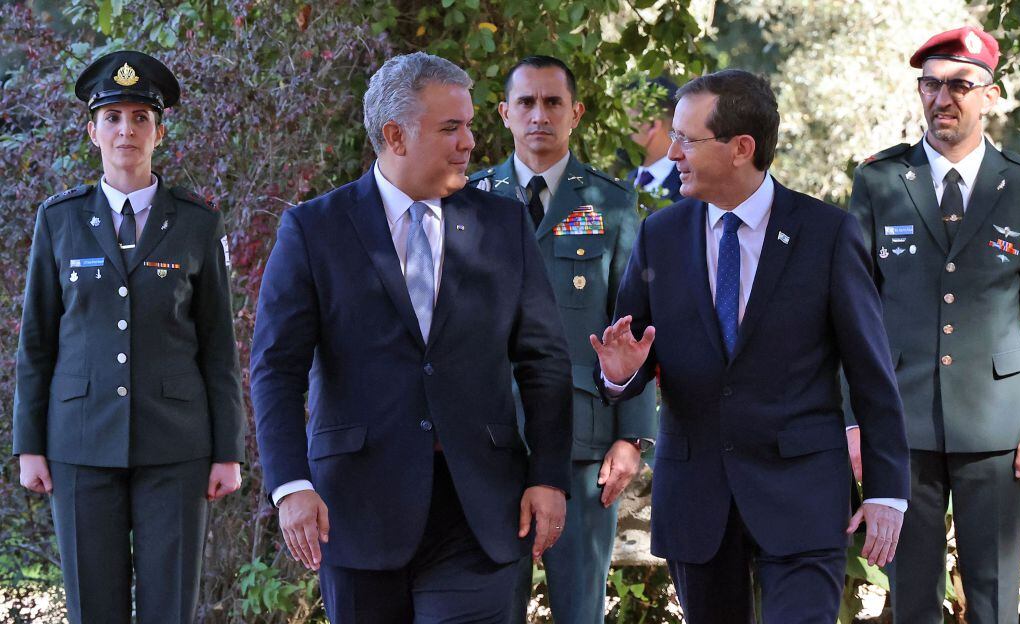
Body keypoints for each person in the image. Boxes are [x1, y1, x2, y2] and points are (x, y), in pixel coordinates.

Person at [249, 52, 573, 623]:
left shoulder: (504, 225)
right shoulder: (314, 231)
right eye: (451, 128)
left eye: (470, 124)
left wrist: (548, 475)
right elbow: (276, 369)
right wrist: (290, 484)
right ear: (395, 135)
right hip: (357, 511)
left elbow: (543, 362)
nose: (470, 142)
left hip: (482, 513)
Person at [590, 69, 910, 623]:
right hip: (697, 496)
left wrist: (887, 491)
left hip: (802, 496)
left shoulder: (827, 233)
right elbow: (632, 352)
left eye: (688, 139)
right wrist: (621, 374)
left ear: (742, 148)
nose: (673, 151)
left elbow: (870, 371)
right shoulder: (659, 235)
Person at [13, 50, 245, 624]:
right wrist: (30, 444)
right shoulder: (59, 220)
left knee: (171, 606)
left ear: (159, 132)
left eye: (141, 117)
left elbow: (218, 347)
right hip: (80, 444)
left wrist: (227, 451)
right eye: (113, 117)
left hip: (176, 447)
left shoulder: (196, 222)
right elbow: (37, 342)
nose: (126, 130)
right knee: (95, 607)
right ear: (92, 131)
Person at [846, 26, 1020, 623]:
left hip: (998, 427)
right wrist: (853, 420)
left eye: (961, 86)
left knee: (992, 595)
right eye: (931, 84)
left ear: (990, 96)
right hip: (900, 423)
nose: (944, 99)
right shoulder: (879, 180)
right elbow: (852, 312)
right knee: (910, 598)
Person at [468, 55, 657, 624]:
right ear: (504, 113)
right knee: (486, 606)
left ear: (575, 113)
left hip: (583, 442)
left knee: (580, 609)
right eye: (525, 102)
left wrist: (632, 437)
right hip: (486, 436)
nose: (539, 115)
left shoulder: (613, 206)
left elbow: (637, 328)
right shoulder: (468, 203)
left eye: (553, 103)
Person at [628, 77, 683, 207]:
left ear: (652, 125)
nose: (619, 131)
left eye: (626, 122)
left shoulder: (691, 189)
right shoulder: (624, 183)